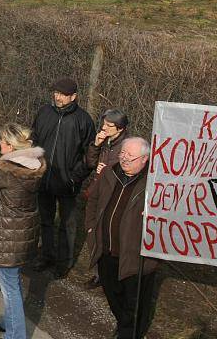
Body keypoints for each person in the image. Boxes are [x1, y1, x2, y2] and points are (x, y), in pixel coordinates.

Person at [0, 123, 47, 339]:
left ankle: (16, 335)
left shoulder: (5, 171)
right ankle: (9, 323)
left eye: (3, 141)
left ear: (11, 146)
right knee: (12, 281)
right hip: (24, 232)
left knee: (10, 289)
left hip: (7, 235)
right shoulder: (34, 167)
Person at [84, 137, 160, 339]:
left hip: (136, 255)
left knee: (134, 302)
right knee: (111, 292)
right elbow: (94, 200)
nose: (124, 159)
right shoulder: (110, 172)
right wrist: (91, 228)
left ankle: (129, 333)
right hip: (106, 249)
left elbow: (171, 214)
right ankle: (123, 324)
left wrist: (155, 215)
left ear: (145, 159)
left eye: (130, 156)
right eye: (123, 153)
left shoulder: (155, 182)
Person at [32, 77, 96, 278]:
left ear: (74, 96)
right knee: (45, 220)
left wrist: (74, 178)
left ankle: (64, 263)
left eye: (62, 94)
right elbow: (34, 138)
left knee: (67, 225)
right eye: (56, 93)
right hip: (43, 177)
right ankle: (47, 255)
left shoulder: (83, 120)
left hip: (68, 182)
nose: (57, 97)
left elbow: (90, 155)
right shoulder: (44, 112)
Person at [82, 108, 130, 290]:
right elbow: (90, 163)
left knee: (110, 235)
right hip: (98, 192)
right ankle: (98, 273)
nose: (104, 128)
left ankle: (112, 275)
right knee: (92, 231)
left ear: (119, 128)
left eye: (109, 125)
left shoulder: (126, 146)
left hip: (113, 195)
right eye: (103, 124)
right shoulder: (106, 141)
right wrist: (95, 145)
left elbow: (126, 172)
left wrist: (106, 171)